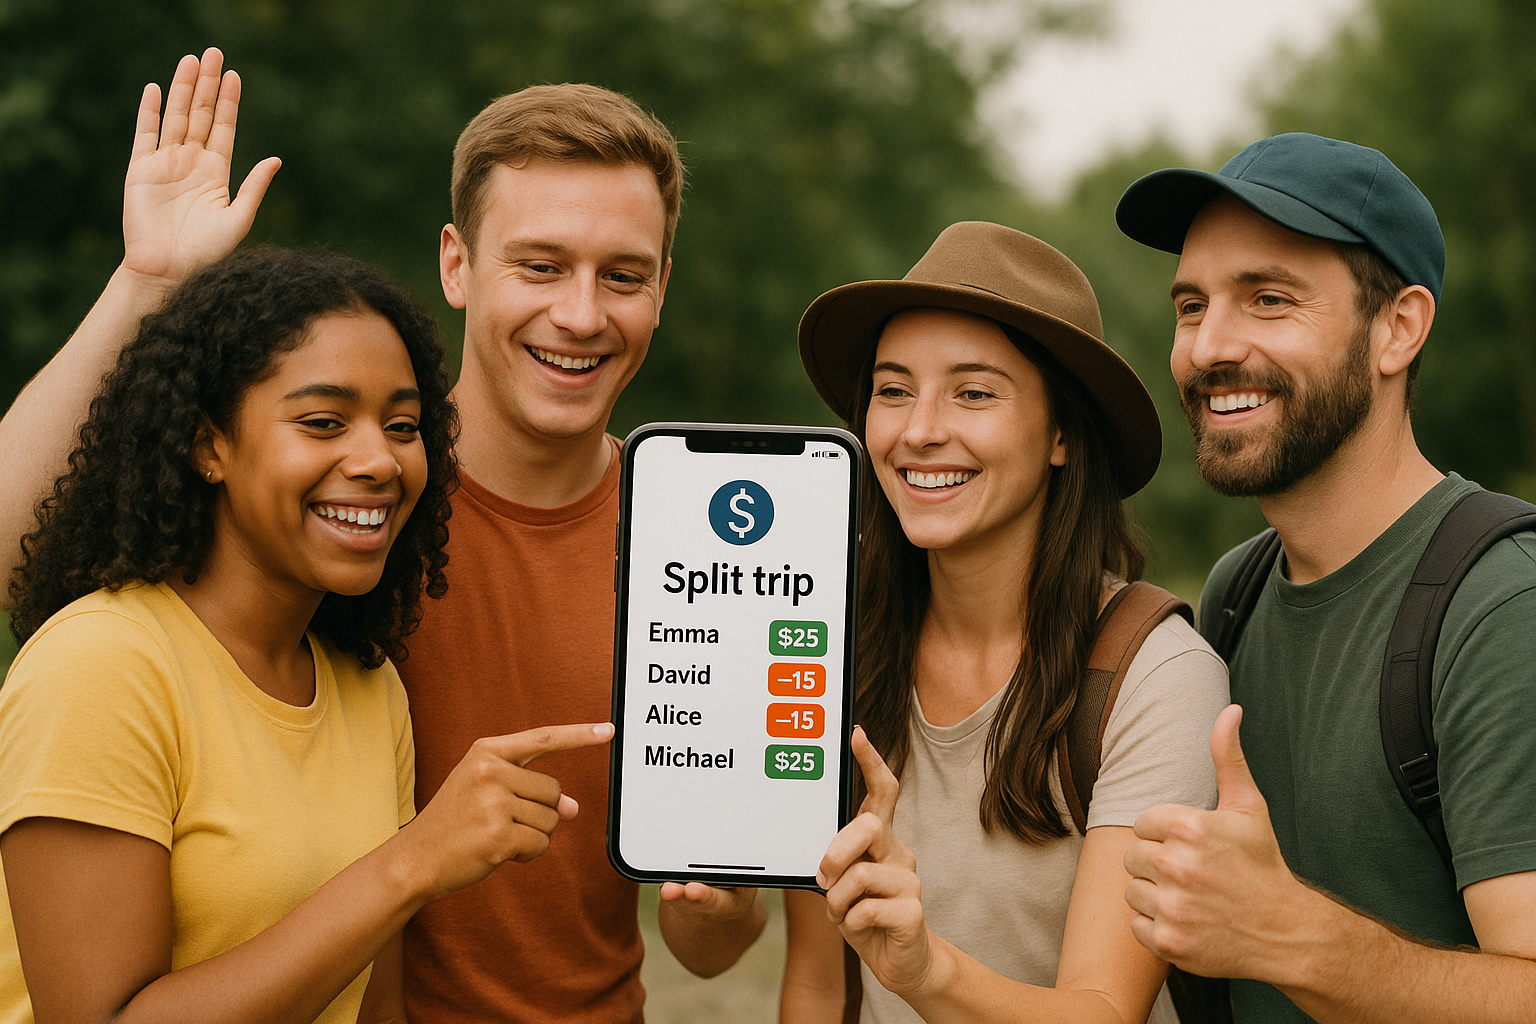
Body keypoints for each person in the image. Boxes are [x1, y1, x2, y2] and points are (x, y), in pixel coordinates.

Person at [0, 49, 760, 1024]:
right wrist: (148, 286)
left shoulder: (697, 553)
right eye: (540, 264)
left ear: (663, 288)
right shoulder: (337, 514)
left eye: (624, 275)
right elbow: (24, 557)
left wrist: (722, 902)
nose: (580, 312)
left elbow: (703, 942)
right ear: (457, 263)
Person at [0, 240, 615, 1021]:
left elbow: (375, 1010)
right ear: (207, 444)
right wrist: (411, 865)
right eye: (323, 422)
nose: (378, 461)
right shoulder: (100, 667)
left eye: (402, 426)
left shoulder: (366, 686)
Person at [1114, 132, 1536, 1023]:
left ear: (1399, 329)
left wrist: (1285, 936)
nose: (1209, 347)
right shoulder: (1239, 592)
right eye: (1191, 307)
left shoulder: (1503, 610)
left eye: (1269, 299)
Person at [779, 221, 1230, 1023]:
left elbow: (1101, 1011)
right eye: (892, 389)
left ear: (1061, 433)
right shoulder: (824, 641)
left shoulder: (1155, 675)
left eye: (974, 392)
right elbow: (817, 985)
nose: (919, 430)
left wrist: (924, 971)